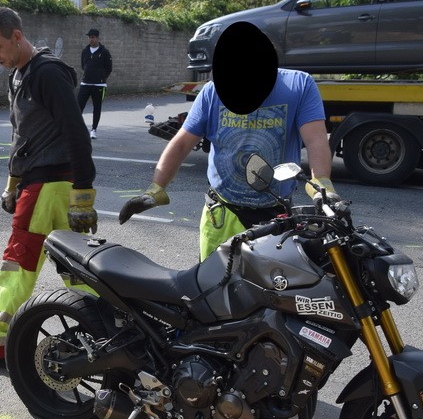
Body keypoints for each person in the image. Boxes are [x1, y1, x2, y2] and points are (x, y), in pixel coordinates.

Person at [119, 21, 337, 259]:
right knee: (214, 291)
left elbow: (316, 140)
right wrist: (155, 190)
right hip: (222, 214)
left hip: (275, 218)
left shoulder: (299, 86)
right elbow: (182, 143)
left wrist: (321, 186)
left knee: (271, 293)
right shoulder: (212, 93)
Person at [0, 6, 98, 368]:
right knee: (77, 268)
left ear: (17, 37)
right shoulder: (19, 75)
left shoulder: (46, 73)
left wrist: (83, 195)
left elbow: (76, 133)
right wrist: (12, 184)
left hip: (47, 188)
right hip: (45, 185)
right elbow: (22, 137)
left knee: (16, 266)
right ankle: (104, 339)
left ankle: (1, 347)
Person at [78, 28, 113, 139]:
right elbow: (83, 65)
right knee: (78, 107)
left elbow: (109, 68)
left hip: (99, 85)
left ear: (98, 38)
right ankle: (77, 129)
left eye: (93, 37)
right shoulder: (85, 51)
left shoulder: (104, 52)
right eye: (89, 37)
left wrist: (101, 77)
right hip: (85, 83)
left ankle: (93, 130)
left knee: (97, 107)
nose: (91, 39)